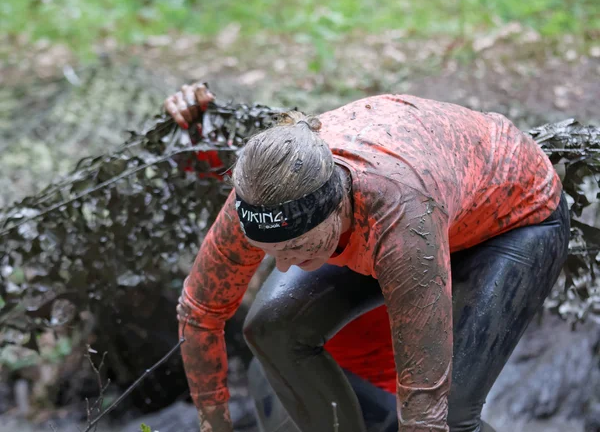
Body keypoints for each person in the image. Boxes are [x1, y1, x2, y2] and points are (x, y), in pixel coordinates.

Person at [165, 83, 570, 432]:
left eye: (297, 248)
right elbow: (199, 311)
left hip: (511, 221)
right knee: (271, 327)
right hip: (419, 204)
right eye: (271, 252)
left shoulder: (399, 221)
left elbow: (425, 410)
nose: (284, 266)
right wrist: (214, 424)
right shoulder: (255, 198)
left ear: (337, 209)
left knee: (452, 414)